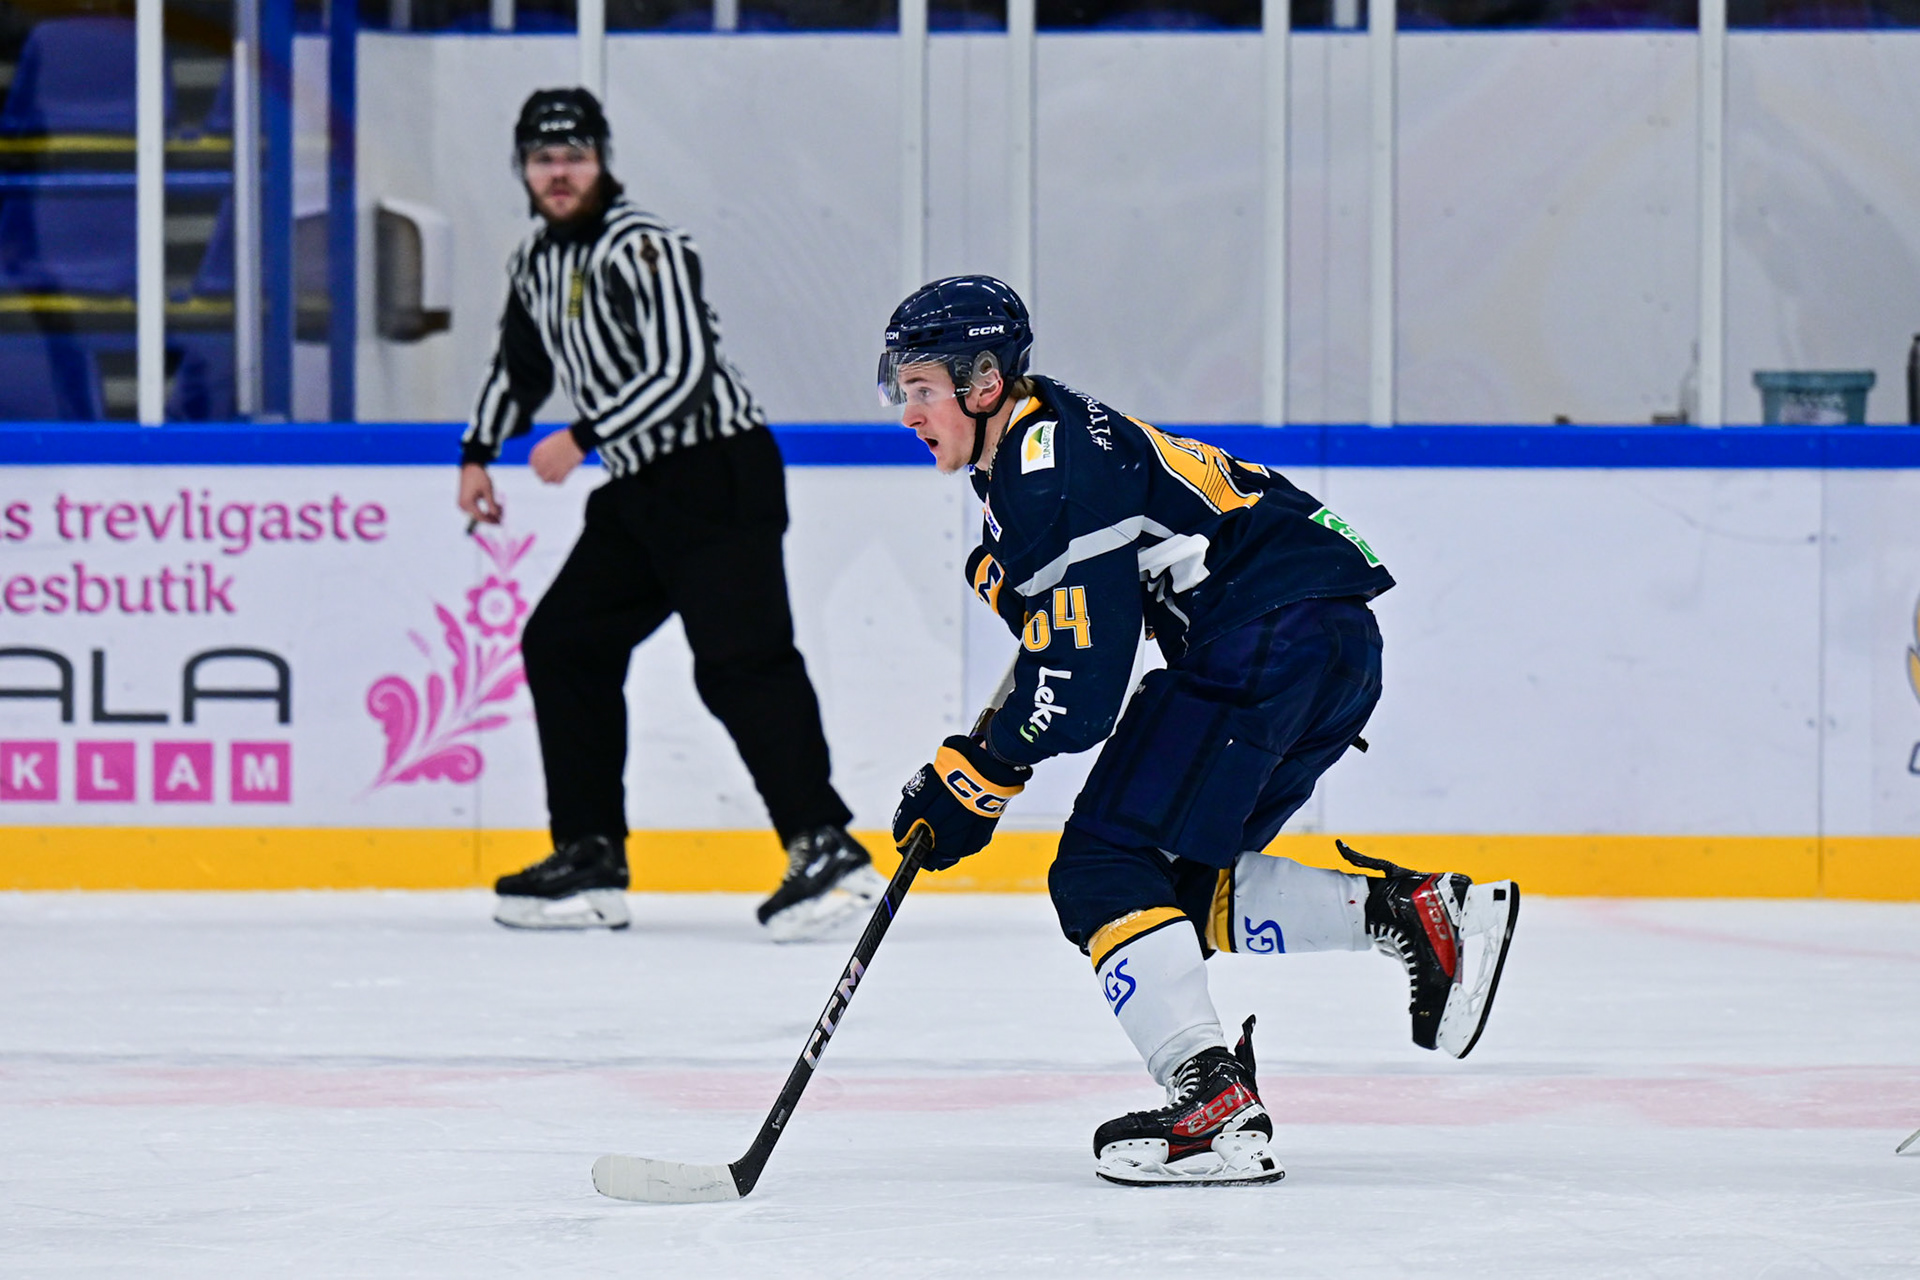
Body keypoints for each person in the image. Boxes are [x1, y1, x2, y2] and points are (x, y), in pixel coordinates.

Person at [883, 276, 1521, 1185]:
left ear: (983, 381)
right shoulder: (1045, 442)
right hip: (1329, 642)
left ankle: (1212, 1104)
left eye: (920, 387)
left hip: (1265, 636)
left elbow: (1084, 688)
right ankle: (1413, 915)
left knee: (1102, 870)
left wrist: (979, 774)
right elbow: (1076, 628)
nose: (907, 411)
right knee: (1176, 883)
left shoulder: (1046, 470)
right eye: (898, 387)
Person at [458, 88, 881, 940]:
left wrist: (582, 436)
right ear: (524, 170)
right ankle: (589, 854)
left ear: (602, 161)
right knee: (564, 644)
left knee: (740, 662)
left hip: (717, 470)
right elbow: (520, 365)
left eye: (575, 157)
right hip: (642, 489)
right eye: (543, 159)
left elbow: (682, 369)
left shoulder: (646, 246)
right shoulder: (534, 261)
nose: (559, 173)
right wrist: (477, 451)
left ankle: (825, 846)